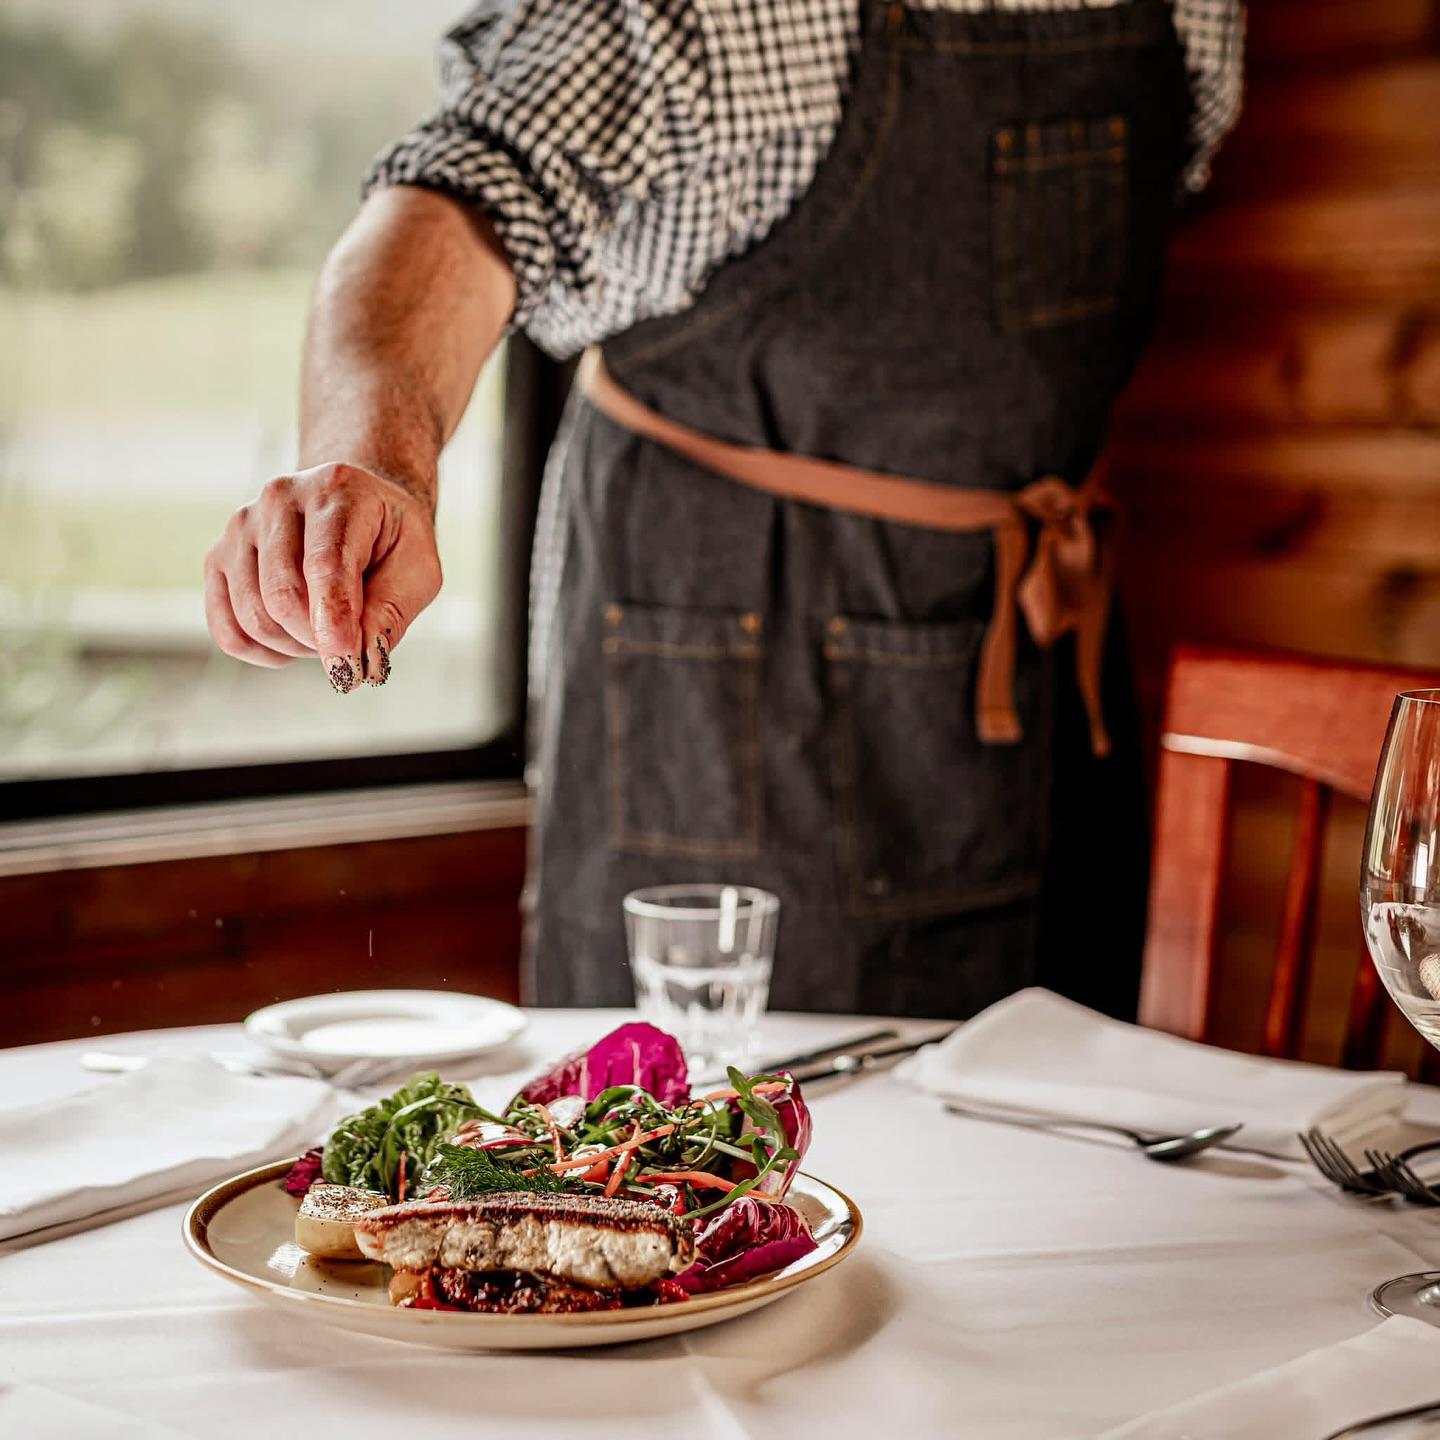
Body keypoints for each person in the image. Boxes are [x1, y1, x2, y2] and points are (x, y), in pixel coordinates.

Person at [204, 0, 1244, 1021]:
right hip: (723, 665)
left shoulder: (1194, 13)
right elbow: (456, 206)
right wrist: (372, 462)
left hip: (1045, 654)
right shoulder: (724, 18)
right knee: (688, 1138)